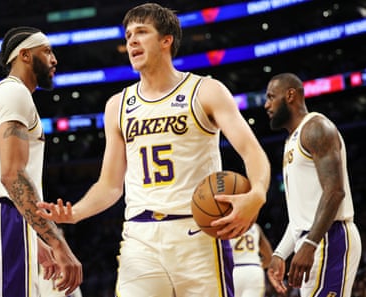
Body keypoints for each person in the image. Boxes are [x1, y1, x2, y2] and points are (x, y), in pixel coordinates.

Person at [37, 3, 270, 297]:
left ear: (166, 40)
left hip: (197, 232)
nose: (131, 40)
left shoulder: (206, 91)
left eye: (142, 32)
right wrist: (75, 214)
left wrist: (258, 193)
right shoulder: (117, 106)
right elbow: (110, 185)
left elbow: (252, 151)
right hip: (140, 236)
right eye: (128, 35)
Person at [0, 26, 82, 297]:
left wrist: (35, 241)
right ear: (24, 55)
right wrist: (58, 242)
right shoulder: (16, 93)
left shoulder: (3, 94)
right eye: (47, 51)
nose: (54, 59)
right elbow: (12, 175)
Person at [264, 73, 361, 296]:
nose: (267, 105)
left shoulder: (317, 128)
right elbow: (301, 215)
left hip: (329, 237)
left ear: (290, 95)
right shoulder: (292, 140)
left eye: (271, 97)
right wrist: (280, 253)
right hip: (315, 239)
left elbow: (335, 191)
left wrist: (310, 243)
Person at [230, 223, 273, 297]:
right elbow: (269, 257)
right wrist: (255, 266)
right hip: (254, 269)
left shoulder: (223, 225)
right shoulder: (255, 226)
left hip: (233, 270)